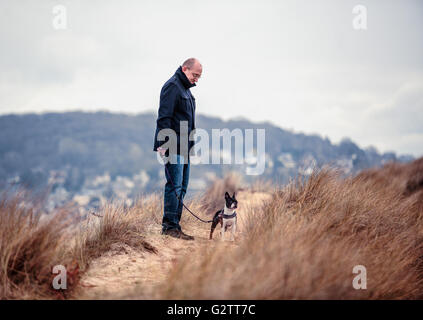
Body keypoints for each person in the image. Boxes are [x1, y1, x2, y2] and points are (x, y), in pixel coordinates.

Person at [153, 58, 202, 240]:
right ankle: (169, 227)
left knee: (182, 187)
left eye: (199, 77)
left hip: (185, 147)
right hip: (172, 146)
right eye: (194, 75)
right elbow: (164, 117)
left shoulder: (187, 91)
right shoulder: (173, 86)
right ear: (184, 69)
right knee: (174, 187)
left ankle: (176, 226)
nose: (196, 79)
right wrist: (163, 144)